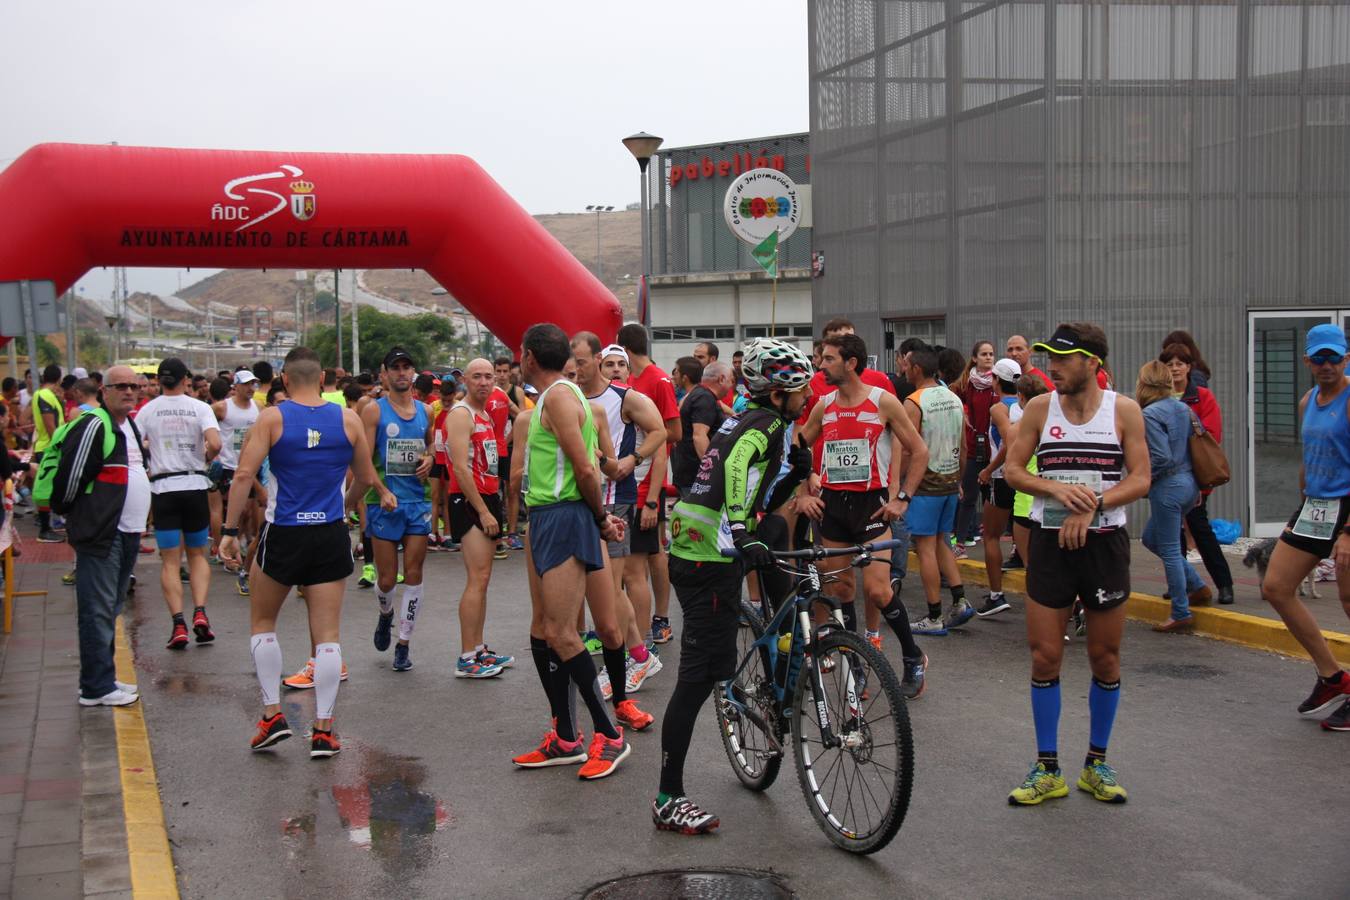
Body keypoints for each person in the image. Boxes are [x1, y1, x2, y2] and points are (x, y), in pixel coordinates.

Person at [652, 338, 815, 834]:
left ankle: (767, 659)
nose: (807, 394)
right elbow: (738, 465)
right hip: (704, 554)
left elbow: (763, 485)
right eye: (800, 388)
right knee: (697, 679)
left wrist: (794, 479)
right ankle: (667, 798)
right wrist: (743, 530)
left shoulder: (766, 422)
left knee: (779, 545)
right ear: (777, 392)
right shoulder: (763, 425)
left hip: (708, 546)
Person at [1003, 322, 1150, 805]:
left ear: (1093, 363)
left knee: (1104, 656)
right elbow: (1015, 470)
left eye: (1063, 359)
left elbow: (1141, 478)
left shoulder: (1123, 410)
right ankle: (1047, 768)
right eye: (1049, 356)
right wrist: (1054, 488)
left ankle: (1096, 763)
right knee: (1045, 654)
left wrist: (1095, 505)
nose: (1053, 366)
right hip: (1050, 542)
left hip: (1104, 545)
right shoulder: (1040, 409)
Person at [221, 347, 394, 758]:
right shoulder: (348, 419)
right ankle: (324, 731)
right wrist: (345, 508)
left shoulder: (272, 418)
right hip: (329, 532)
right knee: (328, 636)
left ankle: (271, 716)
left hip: (284, 532)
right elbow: (367, 479)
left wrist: (229, 530)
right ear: (321, 380)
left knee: (263, 622)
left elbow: (244, 474)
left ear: (283, 379)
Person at [509, 324, 631, 780]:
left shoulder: (560, 396)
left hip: (564, 515)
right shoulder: (554, 396)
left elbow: (585, 466)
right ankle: (564, 737)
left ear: (527, 357)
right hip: (546, 516)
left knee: (563, 632)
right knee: (542, 629)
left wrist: (599, 517)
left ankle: (610, 735)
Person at [797, 333, 931, 695]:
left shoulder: (883, 402)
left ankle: (912, 657)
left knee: (877, 591)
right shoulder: (824, 405)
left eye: (827, 359)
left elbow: (919, 451)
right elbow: (797, 447)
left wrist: (902, 498)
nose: (820, 365)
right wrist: (803, 488)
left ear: (850, 363)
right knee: (842, 589)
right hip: (834, 506)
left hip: (872, 506)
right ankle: (855, 666)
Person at [1257, 324, 1350, 731]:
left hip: (1347, 508)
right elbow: (1309, 457)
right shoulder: (1307, 400)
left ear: (1346, 358)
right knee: (1276, 586)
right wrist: (1300, 509)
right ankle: (1333, 678)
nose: (1327, 365)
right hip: (1315, 505)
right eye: (1320, 358)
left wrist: (1348, 533)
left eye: (1335, 357)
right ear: (1307, 361)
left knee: (1349, 600)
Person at [575, 335, 666, 711]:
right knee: (603, 586)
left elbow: (660, 431)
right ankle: (639, 654)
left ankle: (639, 657)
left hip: (617, 499)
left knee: (611, 586)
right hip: (585, 497)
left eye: (581, 361)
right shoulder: (573, 395)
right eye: (573, 361)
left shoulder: (625, 397)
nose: (576, 368)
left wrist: (632, 459)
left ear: (596, 360)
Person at [52, 367, 145, 707]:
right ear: (104, 390)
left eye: (135, 386)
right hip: (104, 531)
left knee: (110, 607)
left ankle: (102, 677)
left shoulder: (126, 425)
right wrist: (72, 515)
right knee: (97, 609)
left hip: (127, 529)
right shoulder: (95, 424)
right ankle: (95, 686)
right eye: (121, 386)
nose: (130, 391)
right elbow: (72, 474)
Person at [137, 358, 222, 650]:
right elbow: (216, 443)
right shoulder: (200, 408)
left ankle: (178, 624)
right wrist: (204, 459)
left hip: (163, 490)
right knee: (198, 555)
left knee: (171, 561)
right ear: (186, 379)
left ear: (159, 380)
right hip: (195, 486)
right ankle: (200, 612)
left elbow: (136, 446)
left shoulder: (147, 410)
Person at [363, 347, 435, 672]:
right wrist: (380, 490)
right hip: (384, 504)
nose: (402, 373)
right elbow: (362, 459)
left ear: (413, 373)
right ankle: (385, 614)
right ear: (385, 374)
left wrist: (431, 457)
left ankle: (404, 644)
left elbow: (432, 443)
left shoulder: (426, 411)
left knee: (415, 574)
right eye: (396, 368)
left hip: (417, 502)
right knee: (388, 578)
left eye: (407, 367)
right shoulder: (374, 412)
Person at [444, 359, 515, 678]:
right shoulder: (461, 414)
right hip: (468, 501)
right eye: (477, 377)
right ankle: (466, 656)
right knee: (477, 577)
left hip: (486, 496)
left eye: (489, 376)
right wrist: (484, 511)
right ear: (466, 381)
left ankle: (478, 647)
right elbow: (459, 468)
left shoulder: (485, 413)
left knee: (483, 578)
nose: (485, 382)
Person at [895, 345, 971, 635]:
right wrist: (959, 481)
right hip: (950, 481)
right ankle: (960, 600)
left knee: (926, 548)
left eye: (906, 365)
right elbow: (964, 447)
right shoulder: (953, 398)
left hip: (924, 484)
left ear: (916, 370)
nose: (903, 369)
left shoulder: (913, 402)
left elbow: (906, 450)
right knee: (943, 542)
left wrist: (900, 487)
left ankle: (934, 615)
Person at [616, 323, 682, 646]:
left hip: (651, 477)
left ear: (625, 349)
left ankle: (662, 618)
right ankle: (636, 623)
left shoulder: (658, 379)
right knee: (635, 558)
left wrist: (645, 446)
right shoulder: (630, 381)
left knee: (654, 553)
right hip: (631, 479)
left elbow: (674, 432)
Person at [1136, 361, 1207, 632]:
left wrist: (1142, 479)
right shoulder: (1184, 408)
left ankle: (1180, 610)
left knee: (1168, 548)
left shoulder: (1150, 414)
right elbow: (1195, 449)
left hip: (1168, 487)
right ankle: (1197, 587)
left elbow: (1162, 457)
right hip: (1189, 483)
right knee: (1151, 538)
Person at [1160, 341, 1234, 605]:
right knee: (1172, 532)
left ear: (1189, 367)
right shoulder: (1161, 398)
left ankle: (1225, 584)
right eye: (1169, 364)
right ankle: (1180, 584)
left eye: (1180, 363)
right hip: (1166, 475)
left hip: (1195, 475)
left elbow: (1211, 435)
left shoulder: (1202, 396)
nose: (1175, 369)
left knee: (1200, 528)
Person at [975, 358, 1022, 616]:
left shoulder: (998, 408)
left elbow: (1009, 441)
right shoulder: (1029, 405)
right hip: (1026, 477)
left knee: (991, 536)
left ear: (995, 380)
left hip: (1003, 477)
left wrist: (988, 469)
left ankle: (996, 594)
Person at [212, 370, 262, 595]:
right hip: (227, 466)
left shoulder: (257, 408)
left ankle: (234, 544)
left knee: (248, 513)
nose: (251, 388)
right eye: (247, 385)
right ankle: (227, 548)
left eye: (254, 384)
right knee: (234, 511)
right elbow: (205, 423)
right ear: (236, 387)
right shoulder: (223, 407)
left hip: (249, 467)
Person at [953, 341, 997, 548]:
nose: (988, 357)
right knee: (968, 497)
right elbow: (949, 398)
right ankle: (960, 542)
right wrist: (962, 412)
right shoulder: (965, 383)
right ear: (974, 358)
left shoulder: (1000, 382)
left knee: (995, 500)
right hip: (972, 447)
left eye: (991, 354)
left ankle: (994, 538)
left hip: (994, 451)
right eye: (984, 354)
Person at [670, 357, 725, 493]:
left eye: (676, 371)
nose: (673, 375)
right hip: (690, 474)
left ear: (685, 377)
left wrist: (710, 473)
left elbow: (698, 436)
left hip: (694, 475)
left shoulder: (700, 397)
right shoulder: (695, 396)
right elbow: (694, 435)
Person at [31, 364, 66, 542]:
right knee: (46, 490)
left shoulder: (47, 395)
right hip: (48, 448)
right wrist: (58, 445)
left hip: (49, 446)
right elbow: (50, 424)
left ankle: (49, 526)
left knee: (49, 489)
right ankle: (45, 529)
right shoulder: (44, 395)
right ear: (59, 379)